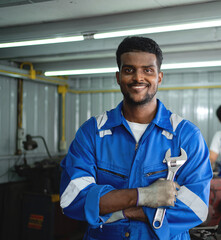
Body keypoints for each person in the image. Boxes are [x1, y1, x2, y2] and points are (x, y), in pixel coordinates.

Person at [59, 36, 212, 240]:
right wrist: (144, 196)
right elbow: (72, 199)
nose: (138, 78)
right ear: (118, 76)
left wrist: (123, 211)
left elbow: (196, 208)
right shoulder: (92, 132)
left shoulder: (186, 136)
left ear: (159, 77)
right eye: (129, 70)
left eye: (147, 70)